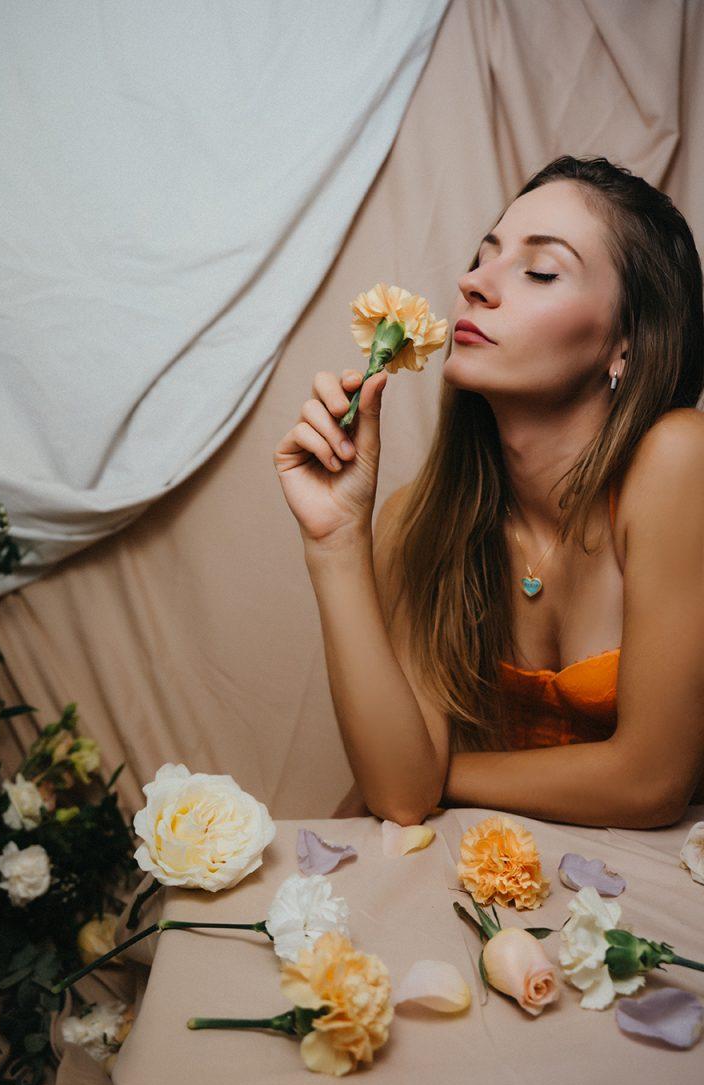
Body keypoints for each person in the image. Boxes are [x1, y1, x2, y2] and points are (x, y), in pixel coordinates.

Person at [273, 155, 704, 830]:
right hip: (504, 896)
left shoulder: (678, 459)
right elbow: (399, 797)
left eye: (539, 271)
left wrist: (438, 775)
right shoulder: (418, 519)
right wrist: (335, 541)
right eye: (483, 257)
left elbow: (651, 783)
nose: (473, 283)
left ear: (626, 342)